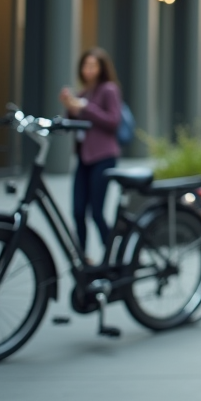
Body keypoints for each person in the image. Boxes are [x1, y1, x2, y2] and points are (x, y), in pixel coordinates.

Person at [60, 47, 123, 258]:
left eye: (92, 65)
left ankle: (112, 255)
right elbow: (75, 122)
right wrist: (70, 105)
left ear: (101, 68)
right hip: (84, 158)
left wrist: (85, 107)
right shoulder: (84, 92)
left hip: (103, 157)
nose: (88, 70)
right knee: (78, 211)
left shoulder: (108, 89)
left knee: (96, 212)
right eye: (85, 65)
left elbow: (113, 121)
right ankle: (83, 257)